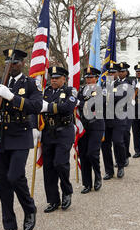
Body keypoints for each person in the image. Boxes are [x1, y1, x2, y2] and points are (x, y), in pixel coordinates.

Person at [0, 49, 42, 230]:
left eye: (14, 62)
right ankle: (10, 226)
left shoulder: (30, 83)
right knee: (3, 185)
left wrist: (12, 97)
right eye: (8, 62)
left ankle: (29, 207)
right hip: (1, 138)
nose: (11, 65)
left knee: (15, 176)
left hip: (21, 135)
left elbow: (36, 106)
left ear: (22, 64)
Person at [39, 66, 77, 213]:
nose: (53, 80)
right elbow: (36, 109)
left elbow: (68, 107)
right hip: (48, 132)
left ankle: (67, 191)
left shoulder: (69, 91)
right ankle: (53, 200)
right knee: (48, 168)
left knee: (60, 163)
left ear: (64, 79)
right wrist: (34, 127)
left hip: (64, 132)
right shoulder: (45, 91)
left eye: (57, 78)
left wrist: (48, 107)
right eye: (52, 78)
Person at [77, 66, 105, 194]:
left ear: (97, 78)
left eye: (91, 77)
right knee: (83, 155)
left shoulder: (101, 90)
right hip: (83, 126)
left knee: (92, 154)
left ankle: (98, 176)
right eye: (87, 78)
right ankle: (87, 183)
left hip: (96, 126)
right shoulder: (81, 90)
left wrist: (80, 103)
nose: (88, 80)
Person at [101, 62, 128, 180]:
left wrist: (108, 95)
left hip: (118, 118)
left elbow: (121, 97)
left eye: (113, 72)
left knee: (117, 142)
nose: (111, 74)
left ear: (118, 73)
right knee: (105, 145)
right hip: (106, 119)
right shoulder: (103, 85)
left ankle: (121, 165)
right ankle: (109, 170)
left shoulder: (123, 85)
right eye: (109, 72)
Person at [117, 63, 133, 164]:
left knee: (126, 133)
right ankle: (120, 157)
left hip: (128, 110)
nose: (121, 73)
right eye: (119, 71)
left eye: (123, 71)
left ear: (126, 72)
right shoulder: (115, 82)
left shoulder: (131, 82)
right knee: (118, 136)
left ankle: (126, 155)